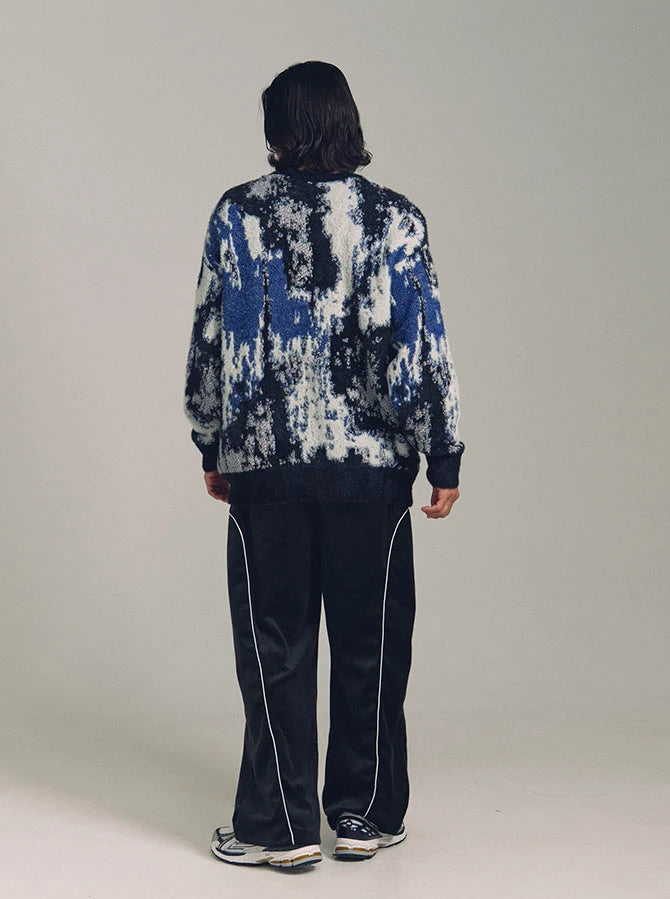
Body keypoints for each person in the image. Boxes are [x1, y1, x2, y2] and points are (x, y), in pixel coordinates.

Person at [183, 60, 465, 869]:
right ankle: (363, 814)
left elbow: (210, 338)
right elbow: (421, 344)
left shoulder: (237, 214)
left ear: (278, 129)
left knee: (275, 643)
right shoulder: (394, 219)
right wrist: (442, 450)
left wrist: (211, 441)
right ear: (347, 122)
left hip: (265, 467)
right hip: (371, 474)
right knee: (370, 642)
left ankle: (280, 826)